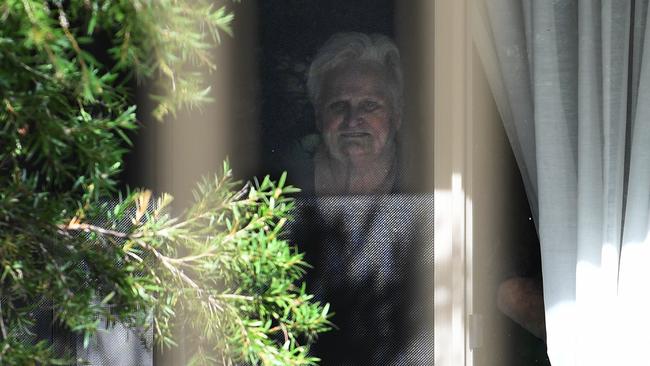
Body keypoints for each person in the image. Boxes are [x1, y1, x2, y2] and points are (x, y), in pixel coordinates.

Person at [292, 32, 405, 196]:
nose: (352, 121)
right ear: (318, 115)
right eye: (338, 105)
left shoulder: (426, 183)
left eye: (369, 105)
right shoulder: (279, 182)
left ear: (396, 115)